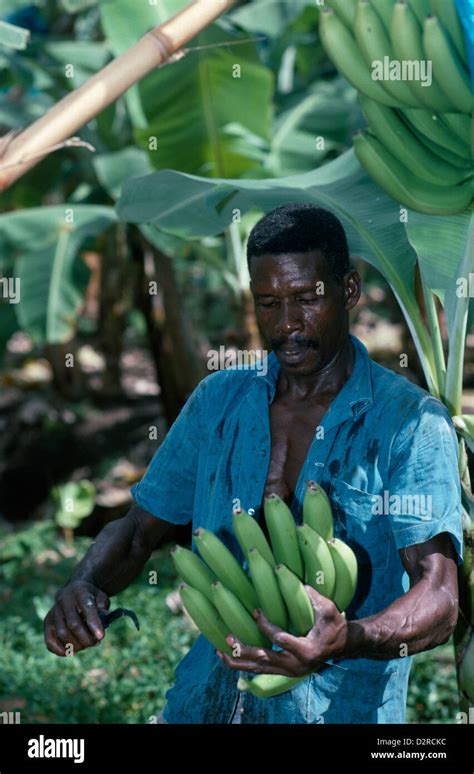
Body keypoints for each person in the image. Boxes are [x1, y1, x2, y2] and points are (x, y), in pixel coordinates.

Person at [44, 204, 463, 724]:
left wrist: (349, 637)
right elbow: (136, 531)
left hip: (338, 712)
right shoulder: (217, 401)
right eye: (268, 303)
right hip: (202, 706)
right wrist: (85, 583)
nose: (287, 323)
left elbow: (440, 595)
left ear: (348, 292)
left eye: (307, 299)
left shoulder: (409, 423)